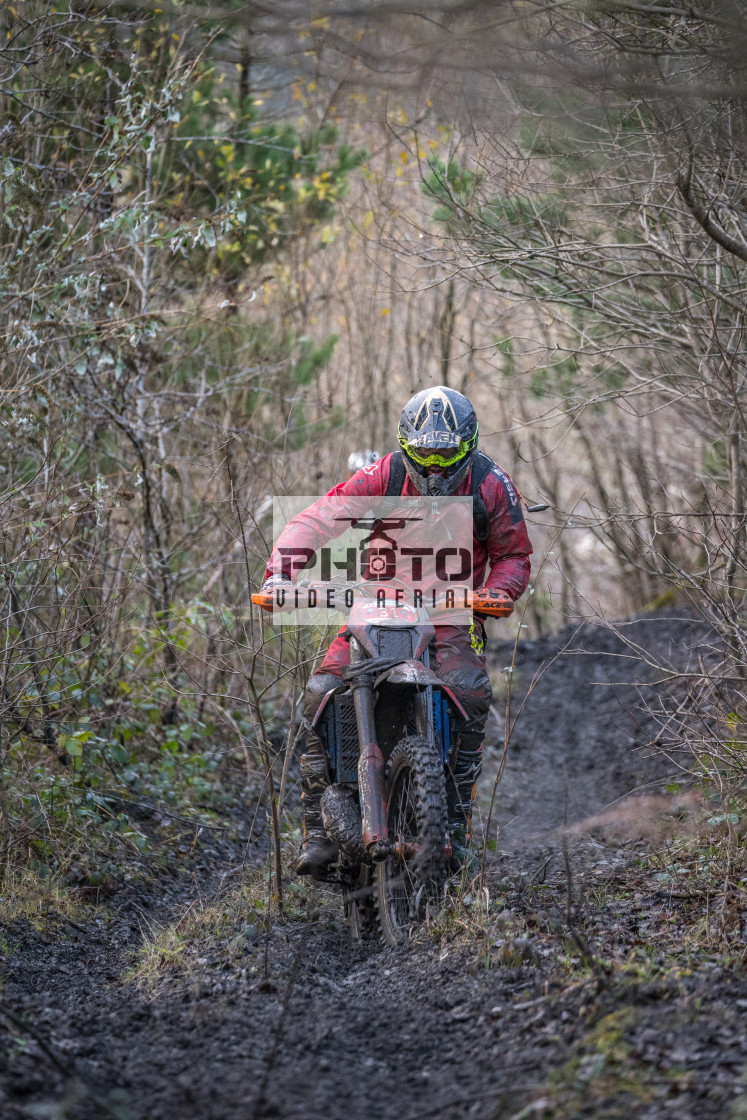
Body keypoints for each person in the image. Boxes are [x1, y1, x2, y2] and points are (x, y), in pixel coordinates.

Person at [260, 386, 533, 875]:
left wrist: (499, 591)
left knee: (471, 693)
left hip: (450, 612)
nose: (432, 464)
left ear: (466, 446)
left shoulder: (491, 483)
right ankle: (317, 828)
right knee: (320, 689)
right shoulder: (383, 474)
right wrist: (282, 573)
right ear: (406, 446)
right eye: (423, 453)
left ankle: (454, 823)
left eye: (445, 453)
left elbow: (513, 554)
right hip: (376, 605)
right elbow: (322, 515)